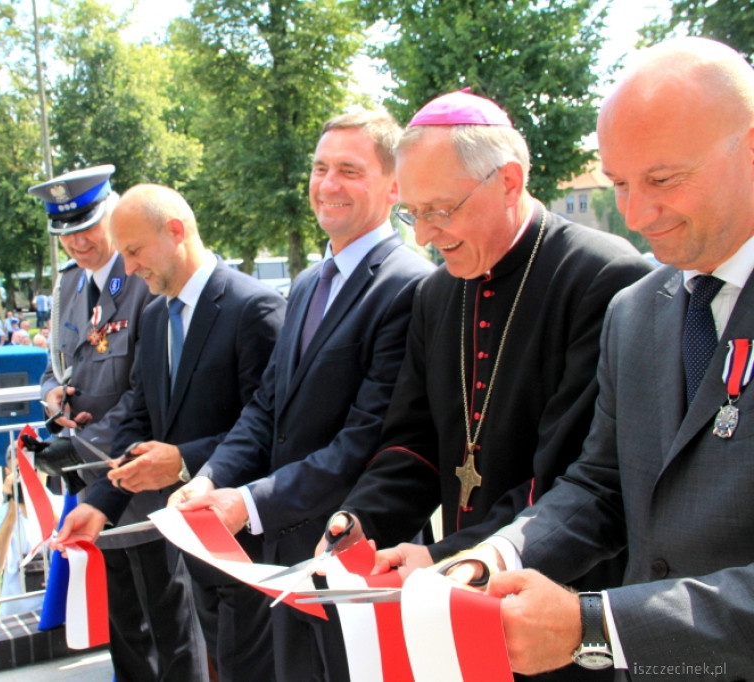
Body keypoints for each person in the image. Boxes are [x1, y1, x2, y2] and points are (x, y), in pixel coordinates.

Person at [431, 38, 754, 679]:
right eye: (621, 185)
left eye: (662, 180)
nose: (636, 215)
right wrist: (493, 558)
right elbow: (600, 486)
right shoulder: (635, 311)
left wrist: (597, 627)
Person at [316, 90, 652, 668]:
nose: (423, 235)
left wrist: (447, 555)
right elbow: (412, 443)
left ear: (509, 183)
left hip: (559, 605)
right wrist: (359, 521)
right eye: (413, 213)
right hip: (458, 595)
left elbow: (574, 475)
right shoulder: (436, 291)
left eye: (441, 211)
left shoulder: (604, 277)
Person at [172, 110, 435, 681]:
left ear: (393, 187)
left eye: (349, 170)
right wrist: (211, 478)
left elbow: (365, 441)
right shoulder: (312, 281)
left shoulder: (410, 286)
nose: (328, 184)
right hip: (288, 562)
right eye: (320, 168)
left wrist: (248, 503)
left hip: (358, 558)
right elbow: (268, 407)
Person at [53, 184, 286, 682]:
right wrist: (98, 503)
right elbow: (139, 413)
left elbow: (269, 429)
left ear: (176, 231)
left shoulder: (254, 308)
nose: (130, 269)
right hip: (195, 550)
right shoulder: (157, 316)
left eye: (134, 252)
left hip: (250, 550)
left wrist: (181, 460)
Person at [28, 167, 206, 682]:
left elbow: (149, 389)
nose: (78, 242)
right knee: (124, 623)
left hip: (143, 480)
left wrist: (91, 447)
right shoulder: (67, 289)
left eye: (87, 226)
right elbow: (54, 368)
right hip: (92, 484)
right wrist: (52, 399)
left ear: (111, 214)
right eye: (66, 233)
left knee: (171, 621)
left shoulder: (145, 281)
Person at [0, 455, 58, 617]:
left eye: (34, 470)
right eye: (21, 471)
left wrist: (40, 500)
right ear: (8, 473)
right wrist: (12, 509)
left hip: (59, 609)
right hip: (17, 615)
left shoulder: (59, 505)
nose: (28, 477)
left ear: (45, 471)